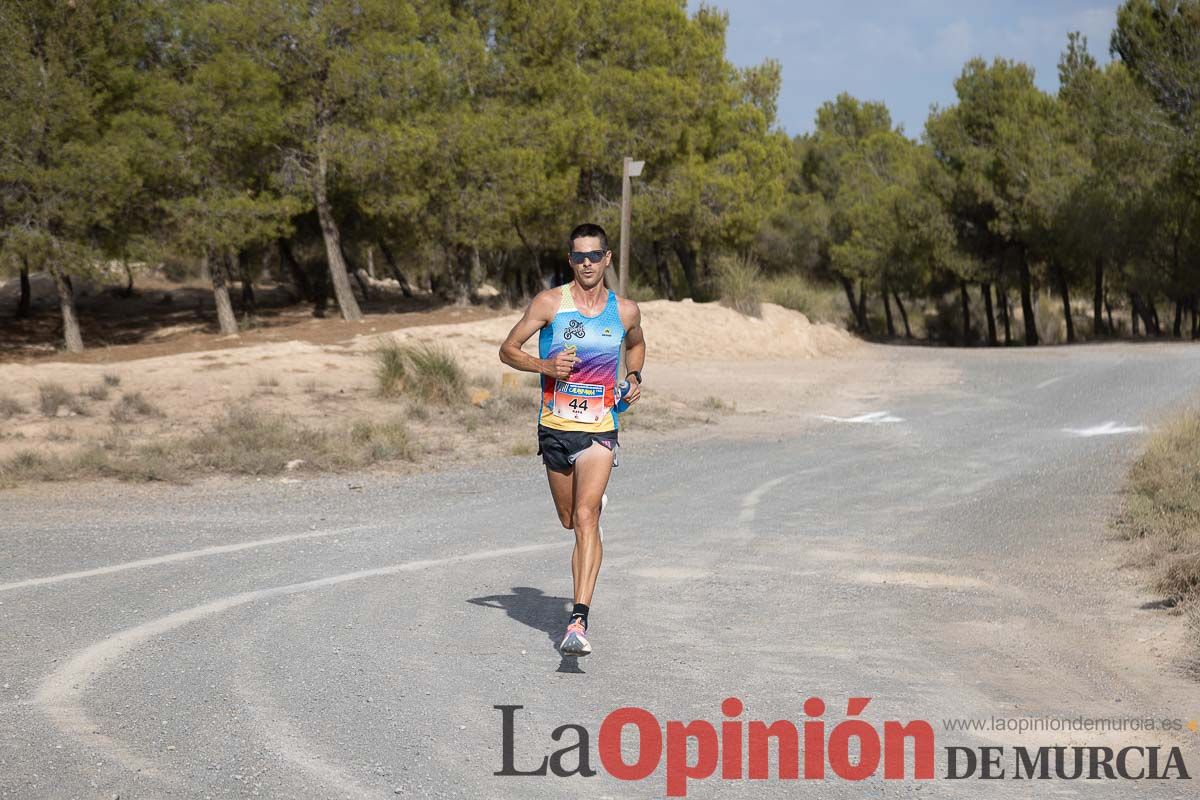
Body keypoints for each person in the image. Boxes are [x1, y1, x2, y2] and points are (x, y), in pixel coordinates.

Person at [498, 223, 646, 656]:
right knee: (568, 518)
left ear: (607, 258)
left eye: (594, 255)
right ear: (570, 261)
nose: (587, 263)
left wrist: (634, 376)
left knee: (585, 519)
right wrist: (544, 366)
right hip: (556, 428)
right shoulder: (549, 303)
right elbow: (507, 349)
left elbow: (635, 347)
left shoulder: (625, 312)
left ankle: (578, 619)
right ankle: (590, 502)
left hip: (601, 428)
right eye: (579, 256)